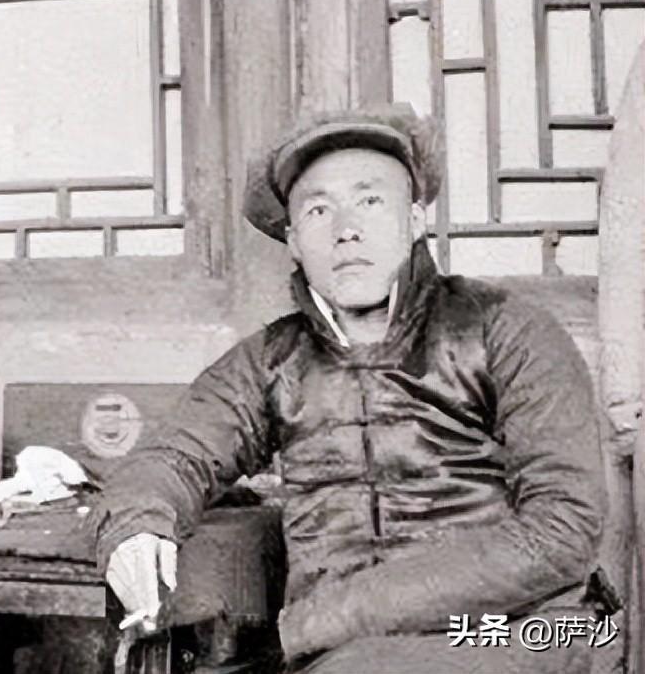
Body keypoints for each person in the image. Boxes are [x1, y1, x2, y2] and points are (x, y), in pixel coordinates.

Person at [90, 107, 610, 673]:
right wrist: (137, 523)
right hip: (342, 650)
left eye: (371, 201)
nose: (346, 229)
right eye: (319, 210)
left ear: (415, 219)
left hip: (519, 626)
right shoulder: (272, 360)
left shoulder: (505, 328)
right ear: (292, 240)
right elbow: (175, 455)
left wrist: (328, 618)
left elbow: (564, 529)